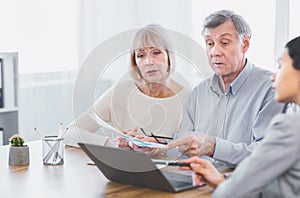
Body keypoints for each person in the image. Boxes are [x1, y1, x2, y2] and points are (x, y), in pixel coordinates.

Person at [181, 36, 300, 198]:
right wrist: (223, 180)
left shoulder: (291, 127)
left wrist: (227, 185)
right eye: (210, 43)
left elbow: (230, 194)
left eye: (280, 66)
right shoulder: (199, 91)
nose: (273, 76)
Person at [167, 10, 284, 166]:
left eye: (224, 43)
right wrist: (154, 147)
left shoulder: (272, 88)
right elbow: (184, 148)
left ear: (245, 44)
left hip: (242, 184)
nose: (215, 52)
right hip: (195, 182)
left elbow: (267, 155)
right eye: (210, 43)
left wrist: (214, 147)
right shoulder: (199, 92)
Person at [65, 24, 191, 149]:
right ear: (134, 61)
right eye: (141, 55)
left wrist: (160, 146)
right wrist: (114, 143)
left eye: (156, 53)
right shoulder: (120, 92)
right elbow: (69, 133)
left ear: (169, 55)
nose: (149, 62)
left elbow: (194, 149)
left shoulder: (189, 98)